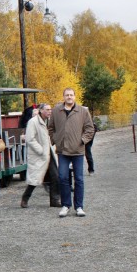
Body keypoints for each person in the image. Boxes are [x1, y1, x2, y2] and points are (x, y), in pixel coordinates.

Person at [48, 88, 96, 217]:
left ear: (75, 97)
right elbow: (51, 128)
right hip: (62, 151)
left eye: (71, 95)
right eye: (67, 95)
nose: (69, 97)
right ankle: (65, 205)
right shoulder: (56, 111)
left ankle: (79, 206)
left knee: (79, 179)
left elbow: (90, 129)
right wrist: (55, 140)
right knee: (63, 177)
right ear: (63, 97)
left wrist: (82, 140)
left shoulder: (82, 111)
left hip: (78, 150)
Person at [21, 104, 61, 208]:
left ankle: (55, 200)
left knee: (55, 176)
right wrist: (41, 150)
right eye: (47, 109)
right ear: (41, 110)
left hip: (49, 152)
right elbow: (30, 139)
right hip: (39, 154)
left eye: (50, 109)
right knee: (35, 178)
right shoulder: (33, 122)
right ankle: (25, 198)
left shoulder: (49, 121)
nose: (50, 111)